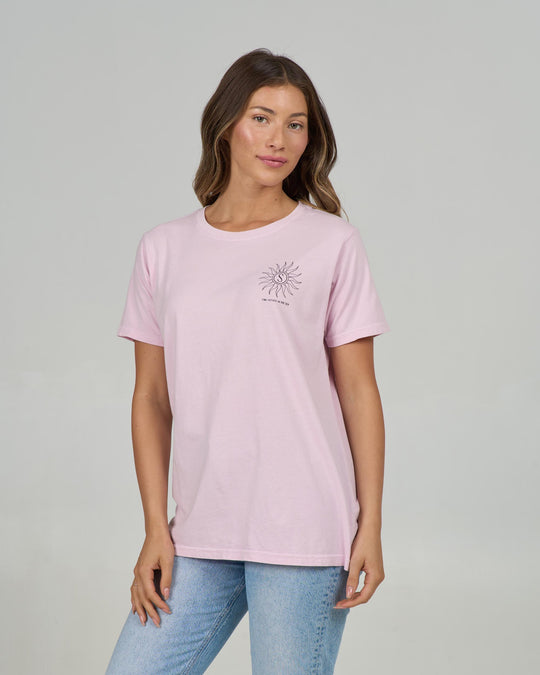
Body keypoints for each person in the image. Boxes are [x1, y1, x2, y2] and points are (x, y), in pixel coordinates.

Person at [105, 47, 390, 675]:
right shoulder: (163, 249)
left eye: (296, 124)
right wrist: (155, 528)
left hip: (303, 528)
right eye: (261, 118)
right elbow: (151, 398)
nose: (278, 139)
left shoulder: (331, 243)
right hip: (200, 529)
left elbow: (359, 393)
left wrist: (369, 523)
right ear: (226, 124)